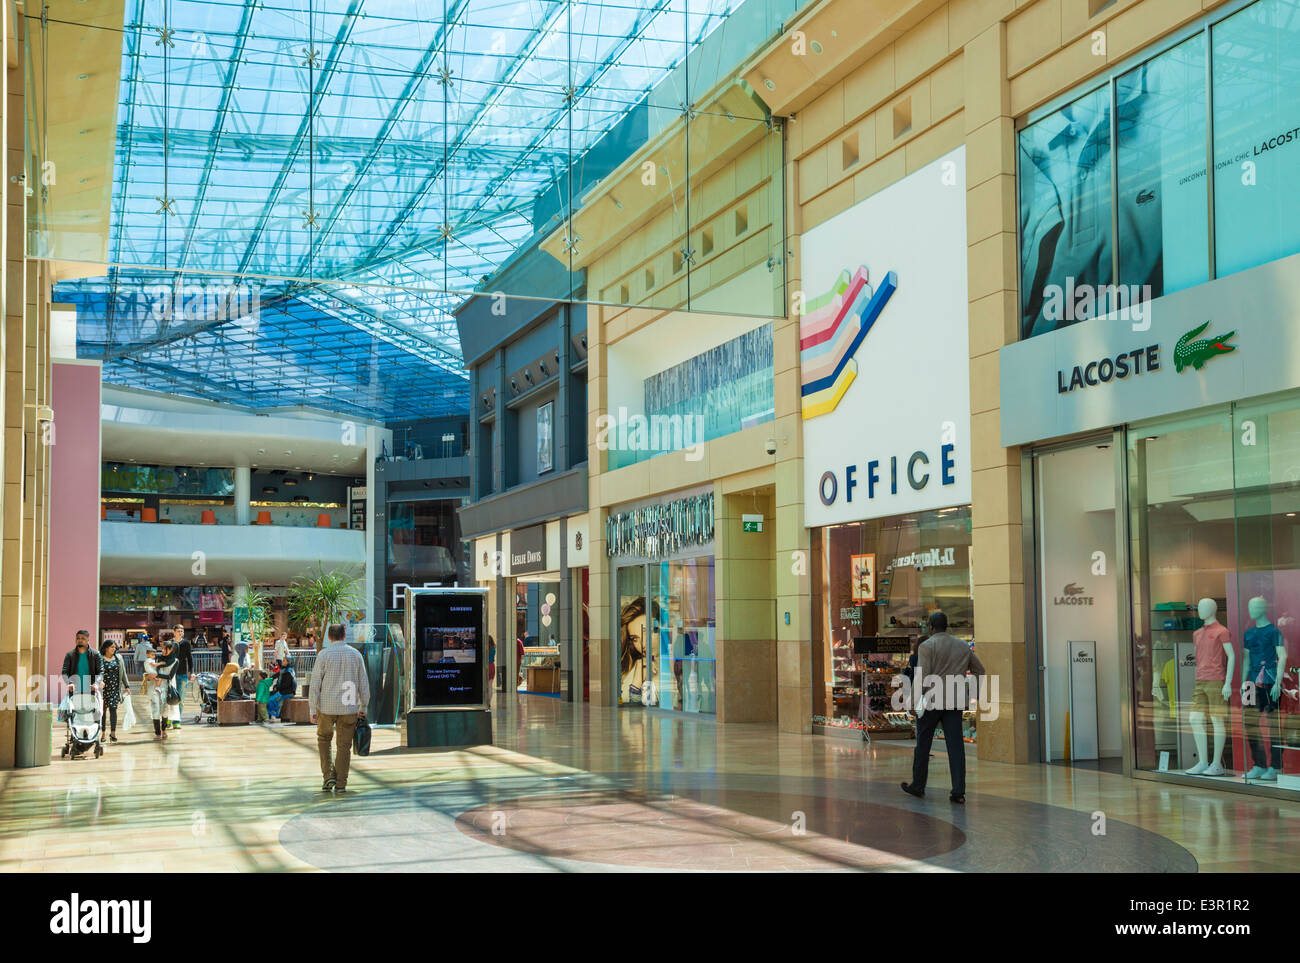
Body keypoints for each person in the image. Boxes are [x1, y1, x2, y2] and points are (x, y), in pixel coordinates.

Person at [901, 611, 985, 804]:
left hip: (931, 701)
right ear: (947, 626)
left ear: (930, 627)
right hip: (954, 702)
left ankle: (918, 785)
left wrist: (912, 703)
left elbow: (922, 677)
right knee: (956, 747)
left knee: (923, 744)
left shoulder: (927, 646)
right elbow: (980, 669)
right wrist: (974, 694)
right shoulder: (962, 645)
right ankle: (958, 791)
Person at [309, 623, 370, 795]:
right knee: (344, 746)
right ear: (344, 636)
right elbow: (364, 683)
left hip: (326, 708)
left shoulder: (324, 655)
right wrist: (363, 705)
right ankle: (341, 783)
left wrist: (312, 708)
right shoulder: (355, 655)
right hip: (349, 708)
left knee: (324, 740)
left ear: (329, 637)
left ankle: (328, 776)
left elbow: (315, 684)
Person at [145, 640, 180, 740]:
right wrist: (148, 676)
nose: (163, 651)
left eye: (165, 649)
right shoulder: (157, 659)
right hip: (154, 686)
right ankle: (157, 732)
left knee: (165, 710)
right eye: (162, 649)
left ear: (171, 649)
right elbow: (149, 669)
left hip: (166, 688)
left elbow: (170, 676)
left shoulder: (175, 661)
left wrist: (157, 675)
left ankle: (164, 729)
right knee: (155, 709)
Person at [100, 640, 131, 743]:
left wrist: (127, 685)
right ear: (106, 648)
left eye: (114, 647)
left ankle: (113, 733)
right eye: (111, 647)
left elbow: (123, 673)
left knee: (113, 710)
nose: (114, 649)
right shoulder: (100, 659)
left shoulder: (118, 658)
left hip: (114, 689)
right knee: (102, 712)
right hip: (102, 690)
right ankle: (103, 733)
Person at [172, 624, 192, 729]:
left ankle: (177, 720)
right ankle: (168, 719)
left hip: (182, 674)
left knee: (181, 699)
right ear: (174, 632)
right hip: (171, 675)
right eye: (178, 631)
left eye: (182, 631)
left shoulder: (186, 643)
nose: (180, 633)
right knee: (170, 697)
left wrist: (191, 672)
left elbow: (190, 658)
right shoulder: (170, 643)